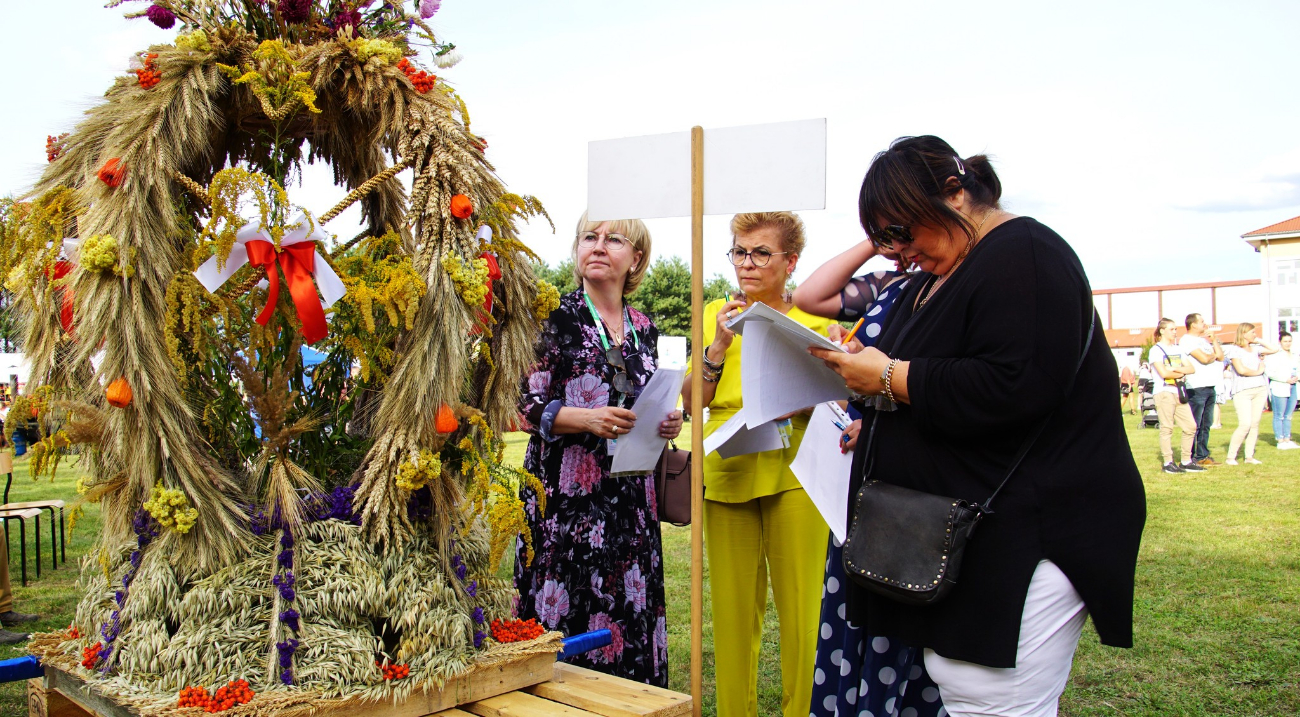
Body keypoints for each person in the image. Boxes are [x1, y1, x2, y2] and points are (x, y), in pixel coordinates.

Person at [810, 136, 1146, 717]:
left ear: (954, 193)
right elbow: (944, 377)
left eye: (901, 232)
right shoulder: (942, 272)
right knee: (969, 686)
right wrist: (881, 409)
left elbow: (1018, 383)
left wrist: (888, 377)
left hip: (1034, 526)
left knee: (996, 696)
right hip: (980, 522)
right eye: (884, 239)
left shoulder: (1025, 253)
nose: (897, 252)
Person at [515, 213, 683, 685]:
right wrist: (586, 418)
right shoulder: (551, 318)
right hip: (565, 502)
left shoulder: (646, 328)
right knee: (563, 616)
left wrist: (669, 420)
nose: (598, 246)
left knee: (628, 612)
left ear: (637, 259)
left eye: (614, 239)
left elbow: (653, 399)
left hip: (630, 501)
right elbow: (521, 404)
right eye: (589, 237)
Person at [681, 211, 831, 717]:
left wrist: (803, 399)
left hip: (797, 470)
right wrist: (717, 347)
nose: (746, 263)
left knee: (803, 612)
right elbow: (692, 402)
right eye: (739, 252)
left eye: (761, 253)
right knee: (732, 614)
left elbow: (844, 399)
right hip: (728, 466)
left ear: (791, 261)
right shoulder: (713, 314)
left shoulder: (816, 319)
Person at [793, 242, 943, 717]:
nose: (897, 239)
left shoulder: (955, 288)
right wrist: (875, 244)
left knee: (900, 601)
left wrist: (883, 419)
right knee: (854, 601)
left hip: (907, 476)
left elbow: (952, 385)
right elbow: (809, 295)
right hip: (856, 476)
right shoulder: (891, 283)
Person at [1148, 319, 1205, 474]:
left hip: (1179, 392)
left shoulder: (1178, 349)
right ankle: (1168, 462)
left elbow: (1191, 368)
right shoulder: (1156, 350)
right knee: (1167, 427)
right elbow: (1163, 373)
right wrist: (1179, 372)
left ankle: (1186, 460)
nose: (1175, 332)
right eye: (1171, 329)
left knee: (1190, 426)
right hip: (1164, 392)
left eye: (1175, 329)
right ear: (1162, 331)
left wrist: (1174, 370)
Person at [1223, 323, 1277, 465]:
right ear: (1244, 333)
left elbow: (1274, 349)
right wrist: (1258, 371)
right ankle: (1231, 457)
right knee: (1245, 424)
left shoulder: (1256, 349)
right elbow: (1241, 370)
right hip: (1243, 390)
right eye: (1252, 332)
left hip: (1259, 389)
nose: (1255, 334)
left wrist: (1258, 340)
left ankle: (1249, 456)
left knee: (1254, 423)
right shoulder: (1235, 350)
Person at [1180, 313, 1224, 466]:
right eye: (1202, 321)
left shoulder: (1203, 341)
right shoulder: (1187, 340)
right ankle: (1190, 456)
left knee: (1206, 424)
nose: (1205, 324)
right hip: (1196, 386)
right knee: (1195, 424)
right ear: (1193, 324)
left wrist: (1214, 341)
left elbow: (1220, 357)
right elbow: (1204, 359)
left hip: (1210, 385)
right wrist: (1212, 355)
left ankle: (1202, 455)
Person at [1264, 331, 1299, 449]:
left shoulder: (1294, 355)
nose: (1288, 343)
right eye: (1285, 341)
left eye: (1289, 341)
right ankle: (1280, 440)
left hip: (1293, 387)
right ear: (1280, 342)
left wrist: (1297, 377)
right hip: (1280, 386)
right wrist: (1285, 379)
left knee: (1288, 415)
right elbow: (1270, 372)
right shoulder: (1274, 356)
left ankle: (1287, 439)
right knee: (1279, 415)